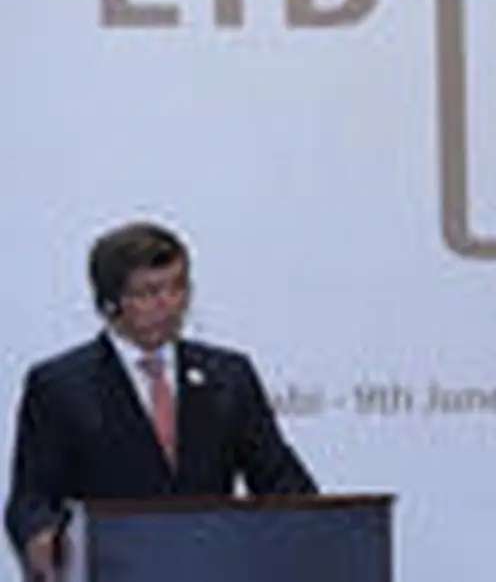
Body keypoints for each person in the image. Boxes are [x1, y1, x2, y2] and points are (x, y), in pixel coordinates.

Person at [4, 221, 317, 580]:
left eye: (178, 287)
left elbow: (280, 479)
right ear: (110, 302)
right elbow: (31, 500)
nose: (168, 304)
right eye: (149, 292)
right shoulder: (60, 386)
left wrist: (314, 526)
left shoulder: (228, 376)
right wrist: (41, 538)